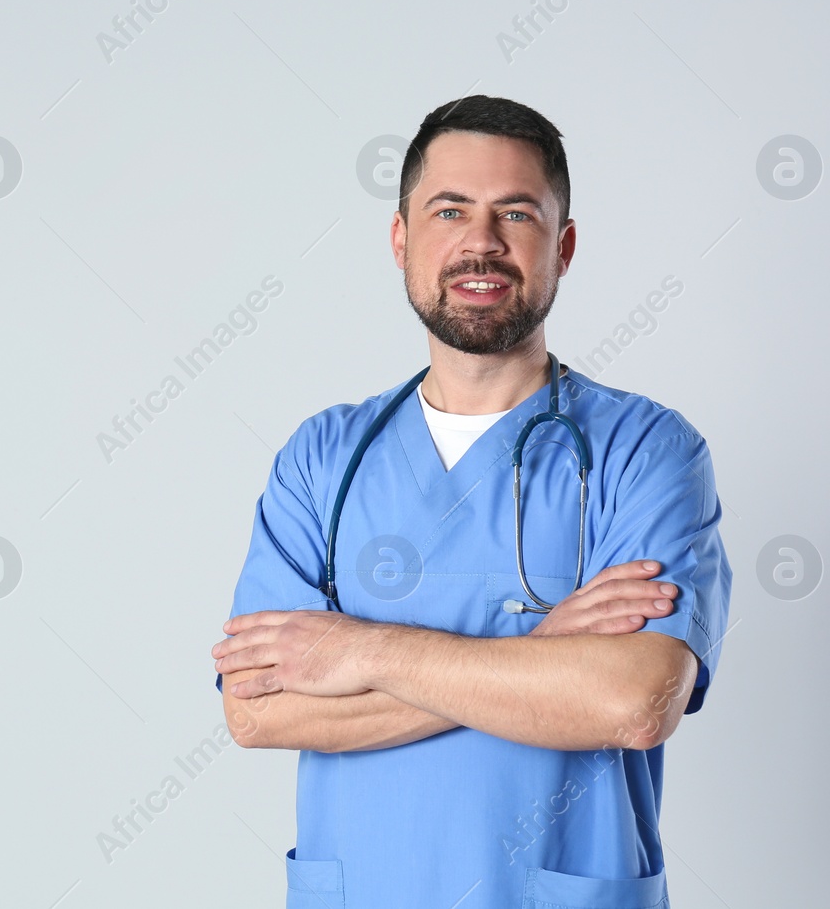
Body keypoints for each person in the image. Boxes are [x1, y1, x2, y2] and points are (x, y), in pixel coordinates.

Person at [211, 95, 732, 909]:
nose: (480, 241)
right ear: (401, 240)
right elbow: (257, 713)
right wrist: (544, 644)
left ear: (561, 248)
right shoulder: (324, 457)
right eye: (449, 209)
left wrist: (363, 651)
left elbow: (632, 701)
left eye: (515, 214)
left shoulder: (645, 450)